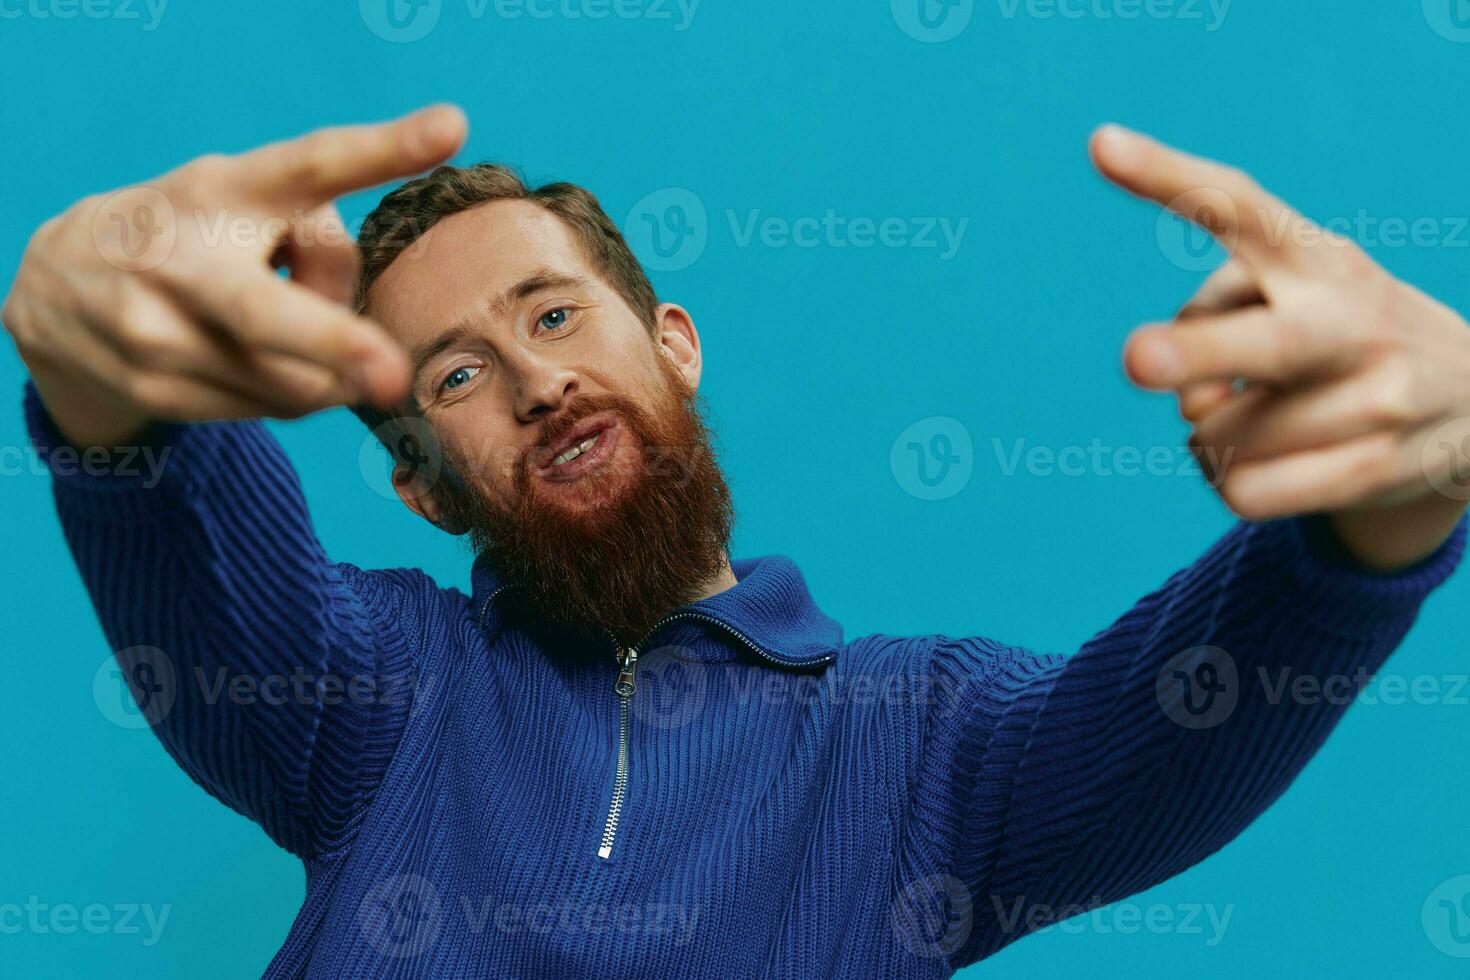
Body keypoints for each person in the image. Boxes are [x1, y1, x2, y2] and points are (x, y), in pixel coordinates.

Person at [6, 104, 1467, 978]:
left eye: (552, 311)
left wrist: (1393, 494)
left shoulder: (925, 744)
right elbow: (184, 521)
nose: (535, 379)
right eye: (453, 376)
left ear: (673, 344)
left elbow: (1182, 716)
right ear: (422, 491)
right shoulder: (364, 697)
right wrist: (100, 367)